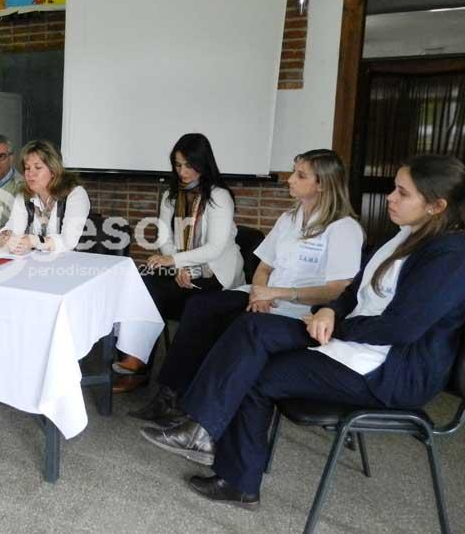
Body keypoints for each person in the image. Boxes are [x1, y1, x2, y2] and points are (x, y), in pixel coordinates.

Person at [141, 154, 465, 511]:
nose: (390, 197)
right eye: (394, 189)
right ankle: (205, 433)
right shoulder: (405, 236)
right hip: (353, 341)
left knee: (255, 369)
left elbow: (402, 327)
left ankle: (229, 469)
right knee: (252, 330)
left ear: (436, 206)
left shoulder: (449, 257)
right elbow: (354, 291)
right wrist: (331, 311)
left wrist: (335, 323)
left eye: (402, 193)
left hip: (391, 371)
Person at [131, 149, 363, 425]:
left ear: (322, 184)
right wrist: (259, 294)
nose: (290, 179)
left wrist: (276, 294)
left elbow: (338, 290)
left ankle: (194, 410)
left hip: (299, 309)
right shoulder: (289, 218)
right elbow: (263, 267)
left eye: (300, 175)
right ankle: (169, 396)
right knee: (200, 306)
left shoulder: (344, 228)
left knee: (229, 324)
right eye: (293, 172)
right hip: (264, 296)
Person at [113, 133, 245, 392]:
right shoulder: (170, 196)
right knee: (142, 283)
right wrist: (178, 267)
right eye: (177, 165)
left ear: (203, 163)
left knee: (187, 300)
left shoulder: (219, 196)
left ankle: (166, 381)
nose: (182, 172)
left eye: (189, 165)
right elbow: (165, 238)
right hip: (182, 267)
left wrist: (174, 261)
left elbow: (215, 248)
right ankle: (135, 361)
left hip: (216, 273)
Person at [0, 139, 89, 254]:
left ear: (53, 171)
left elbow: (68, 242)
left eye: (38, 167)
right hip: (37, 261)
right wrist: (6, 236)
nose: (30, 174)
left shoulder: (76, 195)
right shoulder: (23, 196)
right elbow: (14, 228)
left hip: (76, 261)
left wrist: (34, 241)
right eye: (27, 168)